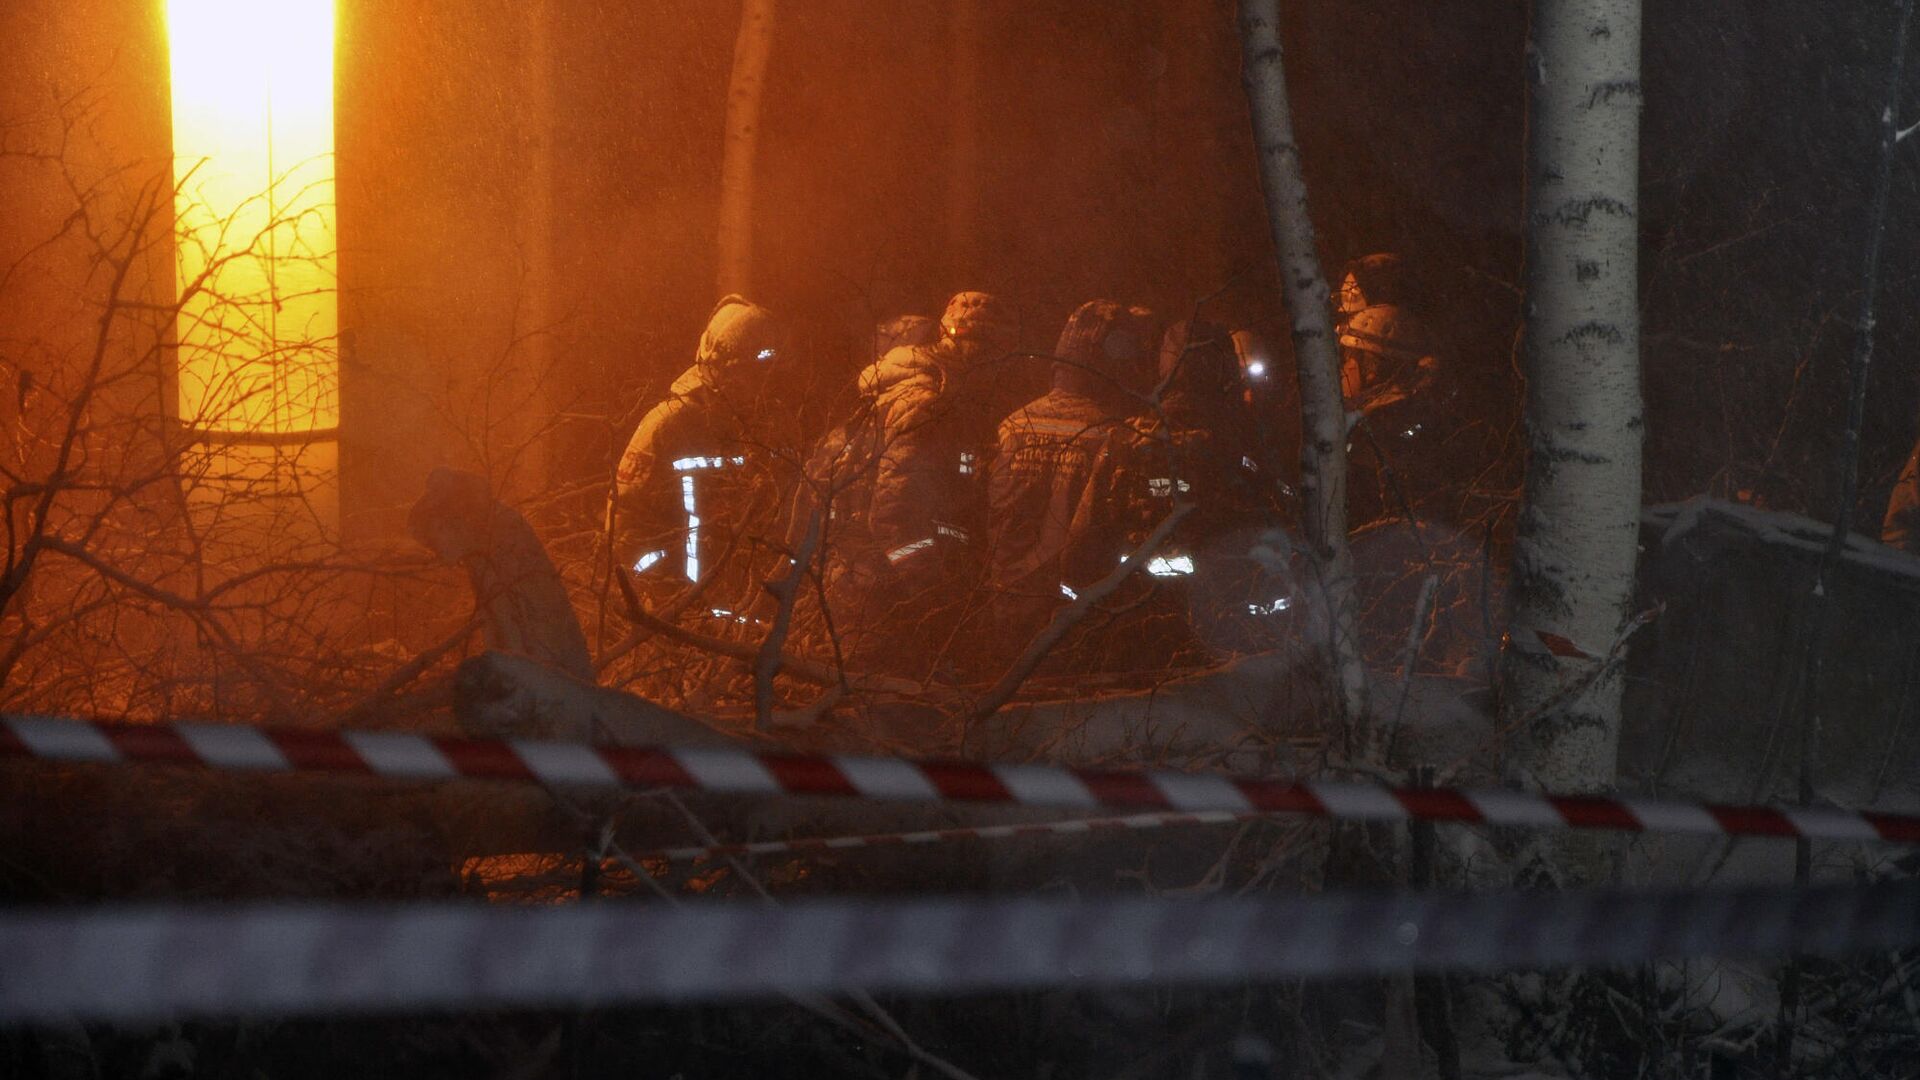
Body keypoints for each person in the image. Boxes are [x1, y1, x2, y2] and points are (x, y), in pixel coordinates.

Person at [800, 291, 1023, 674]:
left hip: (871, 584)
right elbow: (895, 521)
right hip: (886, 599)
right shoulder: (926, 406)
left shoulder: (938, 398)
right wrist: (936, 598)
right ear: (982, 350)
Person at [607, 296, 793, 621]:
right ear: (717, 362)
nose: (756, 384)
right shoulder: (668, 426)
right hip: (679, 614)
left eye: (764, 372)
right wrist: (660, 591)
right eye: (747, 371)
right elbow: (624, 526)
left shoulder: (769, 428)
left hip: (749, 613)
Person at [984, 299, 1154, 658]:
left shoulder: (1013, 424)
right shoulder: (1115, 435)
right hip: (1076, 616)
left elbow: (996, 517)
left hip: (1010, 606)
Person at [1335, 253, 1468, 529]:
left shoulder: (1368, 451)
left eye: (1350, 358)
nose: (1343, 371)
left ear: (1375, 367)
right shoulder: (1417, 432)